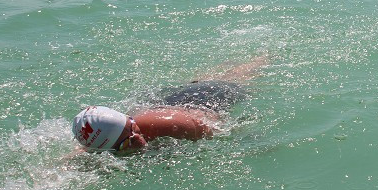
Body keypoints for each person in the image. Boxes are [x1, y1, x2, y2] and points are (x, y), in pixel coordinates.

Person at [72, 56, 268, 155]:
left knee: (239, 80)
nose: (137, 139)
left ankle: (266, 56)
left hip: (205, 101)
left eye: (133, 128)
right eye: (125, 143)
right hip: (167, 103)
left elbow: (220, 131)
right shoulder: (97, 143)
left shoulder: (175, 125)